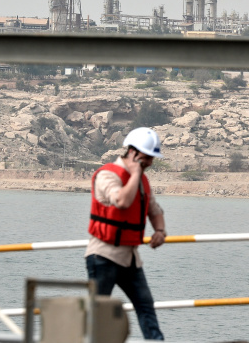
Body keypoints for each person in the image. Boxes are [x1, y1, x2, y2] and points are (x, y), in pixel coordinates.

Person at [85, 127, 167, 340]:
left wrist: (160, 231)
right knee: (98, 313)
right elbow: (122, 201)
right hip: (103, 256)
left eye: (152, 158)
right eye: (147, 158)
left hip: (130, 258)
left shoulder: (143, 181)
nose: (150, 163)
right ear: (132, 152)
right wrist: (136, 174)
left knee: (145, 306)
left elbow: (155, 210)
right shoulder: (107, 175)